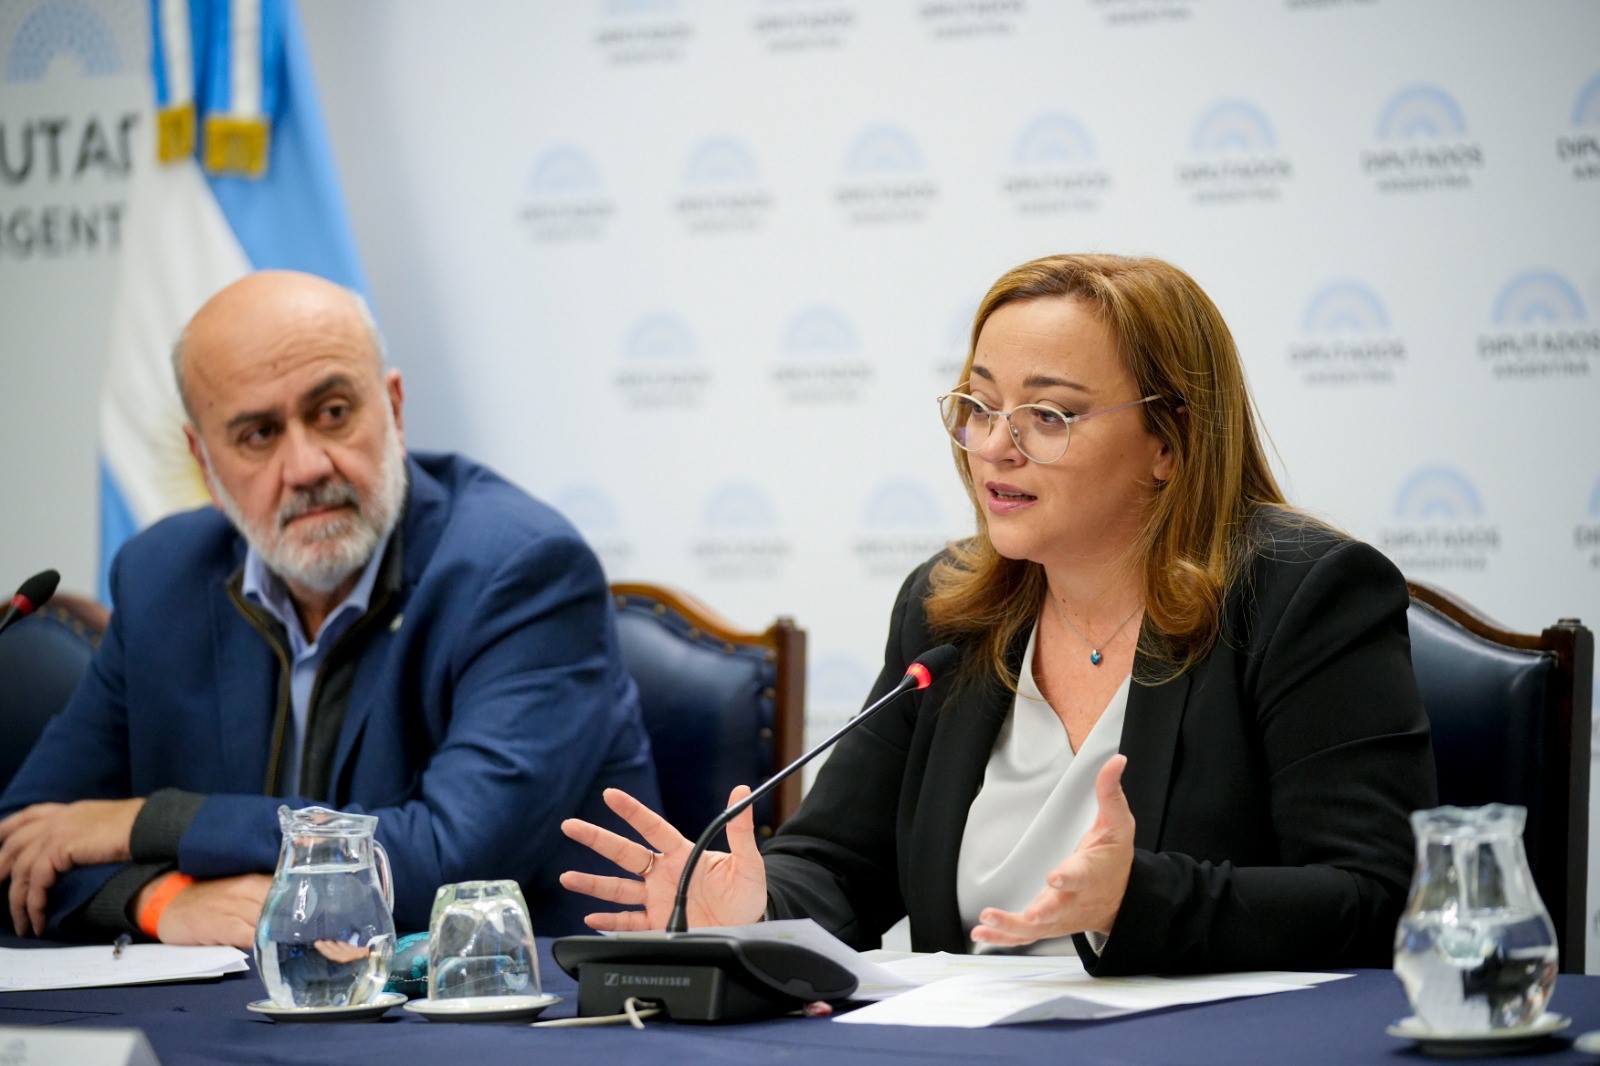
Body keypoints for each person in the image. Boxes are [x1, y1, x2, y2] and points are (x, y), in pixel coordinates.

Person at [559, 253, 1437, 975]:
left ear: (1169, 441)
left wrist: (1138, 901)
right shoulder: (951, 612)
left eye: (1048, 415)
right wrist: (758, 909)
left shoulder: (1300, 597)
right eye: (979, 406)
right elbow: (838, 862)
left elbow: (1377, 897)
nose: (994, 447)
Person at [0, 270, 659, 946]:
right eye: (258, 434)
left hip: (503, 997)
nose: (307, 466)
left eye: (333, 412)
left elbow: (448, 860)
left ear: (393, 410)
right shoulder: (163, 577)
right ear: (204, 463)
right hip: (239, 1001)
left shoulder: (521, 571)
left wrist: (150, 824)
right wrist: (158, 899)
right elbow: (23, 840)